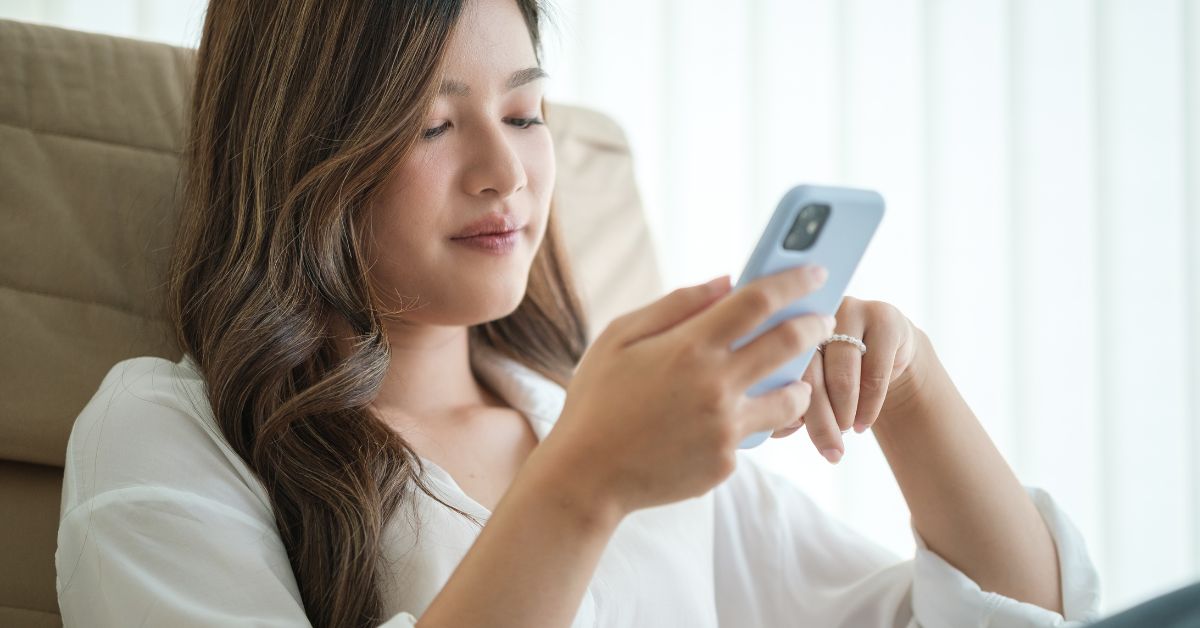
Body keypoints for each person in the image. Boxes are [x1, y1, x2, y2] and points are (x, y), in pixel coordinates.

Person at [54, 0, 1105, 626]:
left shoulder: (614, 430)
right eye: (431, 125)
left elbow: (1022, 614)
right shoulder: (166, 433)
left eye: (524, 111)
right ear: (300, 149)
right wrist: (584, 485)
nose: (505, 170)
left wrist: (913, 391)